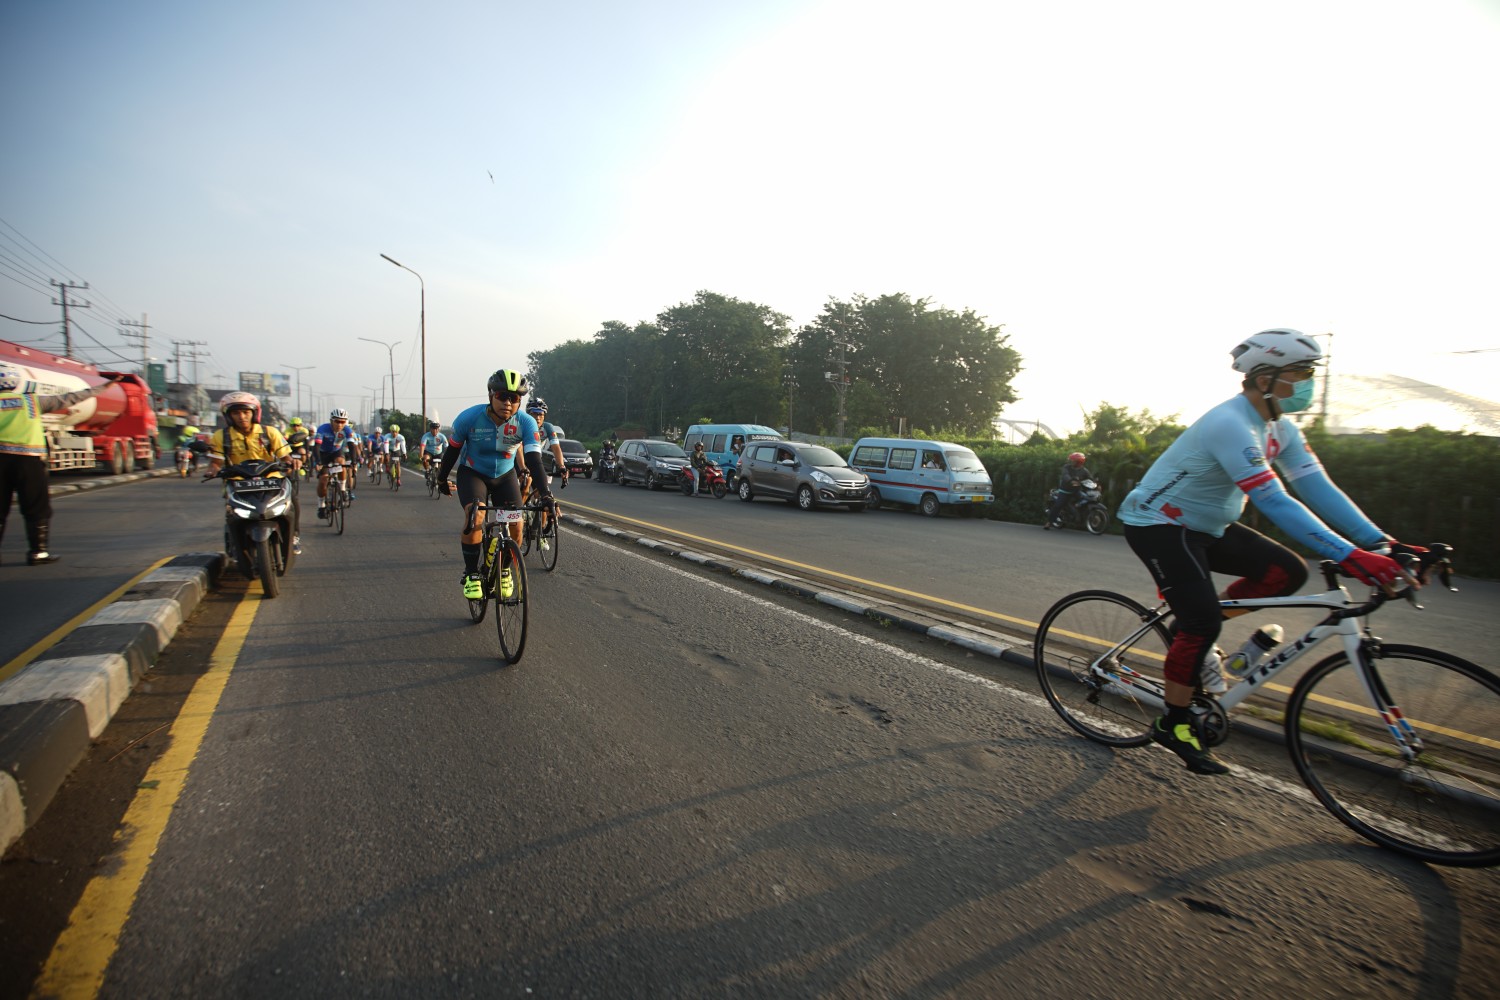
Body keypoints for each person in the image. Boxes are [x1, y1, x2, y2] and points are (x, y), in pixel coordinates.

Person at [1117, 329, 1417, 775]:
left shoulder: (1280, 429)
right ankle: (1173, 723)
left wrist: (1382, 544)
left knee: (1286, 573)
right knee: (1201, 622)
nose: (1308, 383)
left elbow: (1318, 489)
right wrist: (1350, 557)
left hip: (1208, 526)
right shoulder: (1230, 424)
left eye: (1309, 374)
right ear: (1264, 379)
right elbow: (1274, 500)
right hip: (1159, 524)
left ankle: (1190, 628)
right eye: (1300, 374)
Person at [435, 369, 551, 600]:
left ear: (519, 402)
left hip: (505, 476)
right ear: (491, 396)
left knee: (517, 526)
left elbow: (534, 460)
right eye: (501, 396)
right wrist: (441, 479)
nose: (507, 403)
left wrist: (546, 495)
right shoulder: (469, 418)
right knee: (475, 515)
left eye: (514, 398)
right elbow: (452, 452)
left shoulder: (526, 423)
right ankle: (471, 574)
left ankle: (504, 569)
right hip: (473, 473)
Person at [0, 364, 121, 565]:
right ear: (15, 383)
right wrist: (103, 387)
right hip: (28, 461)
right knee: (36, 506)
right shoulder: (31, 401)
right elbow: (72, 398)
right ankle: (38, 552)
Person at [206, 391, 302, 554]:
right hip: (238, 482)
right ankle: (234, 543)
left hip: (271, 479)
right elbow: (216, 463)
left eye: (246, 412)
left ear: (254, 413)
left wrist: (293, 462)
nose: (242, 417)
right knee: (232, 514)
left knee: (292, 502)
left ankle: (294, 536)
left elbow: (285, 457)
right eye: (236, 413)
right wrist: (212, 470)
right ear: (228, 416)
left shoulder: (269, 432)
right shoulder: (221, 436)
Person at [312, 408, 362, 516]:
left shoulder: (347, 430)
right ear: (331, 421)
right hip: (323, 453)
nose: (339, 424)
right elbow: (316, 447)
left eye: (342, 422)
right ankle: (321, 505)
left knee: (341, 462)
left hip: (336, 452)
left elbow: (352, 446)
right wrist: (318, 462)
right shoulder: (323, 429)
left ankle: (342, 489)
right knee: (323, 480)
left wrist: (354, 462)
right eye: (337, 421)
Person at [1044, 452, 1093, 528]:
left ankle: (1078, 516)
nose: (1071, 462)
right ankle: (1049, 522)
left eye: (1073, 460)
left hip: (1076, 491)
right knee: (1058, 505)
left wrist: (1096, 484)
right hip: (1065, 491)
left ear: (1079, 462)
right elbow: (1065, 475)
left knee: (1086, 499)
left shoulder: (1084, 471)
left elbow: (1090, 479)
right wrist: (1070, 481)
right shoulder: (1066, 467)